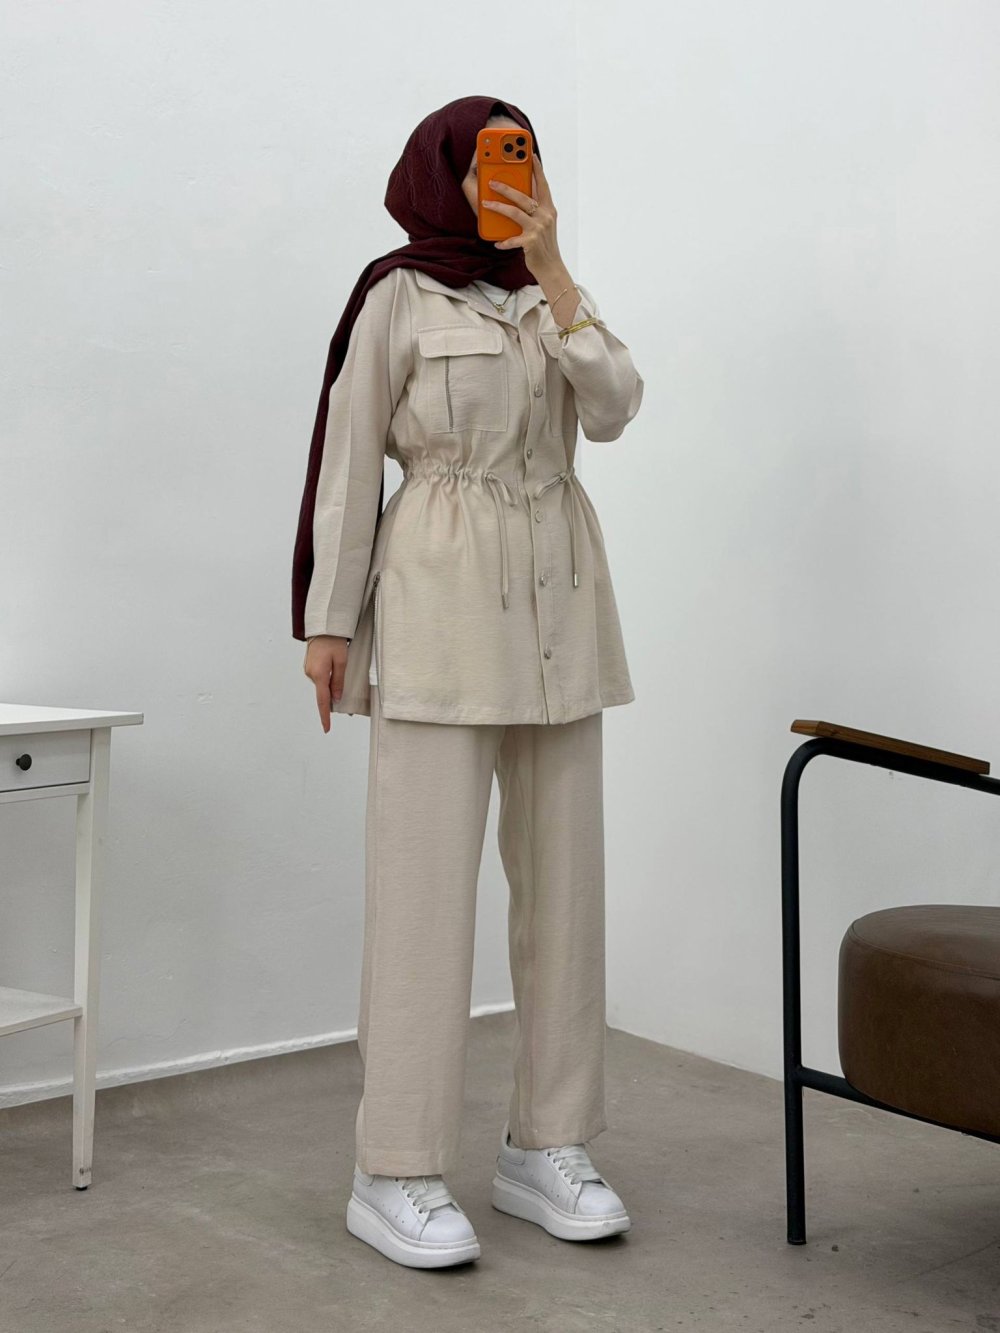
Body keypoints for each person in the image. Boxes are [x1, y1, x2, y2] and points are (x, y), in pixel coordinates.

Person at [292, 95, 644, 1269]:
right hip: (438, 608)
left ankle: (548, 1143)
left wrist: (555, 270)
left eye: (525, 156)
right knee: (422, 897)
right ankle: (392, 1164)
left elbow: (615, 407)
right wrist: (327, 622)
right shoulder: (396, 294)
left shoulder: (549, 296)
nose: (512, 174)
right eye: (493, 158)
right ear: (442, 173)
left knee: (566, 899)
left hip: (561, 612)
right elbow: (348, 461)